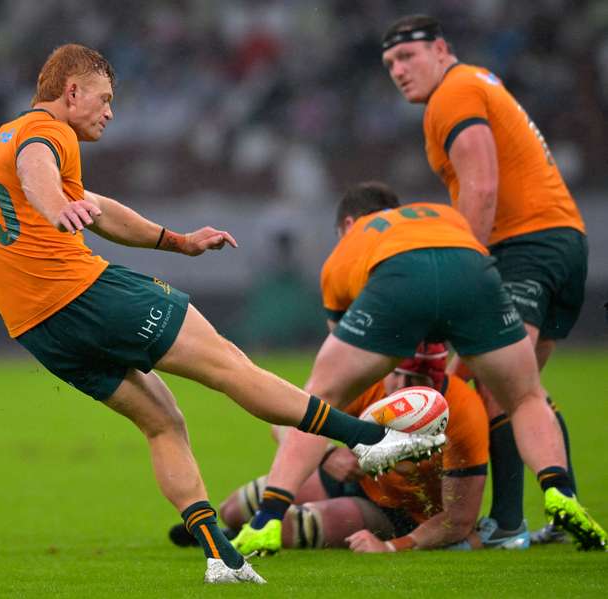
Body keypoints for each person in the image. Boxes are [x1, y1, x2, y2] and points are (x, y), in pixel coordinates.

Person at [0, 44, 445, 584]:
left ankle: (221, 555)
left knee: (162, 422)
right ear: (71, 92)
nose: (110, 112)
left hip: (39, 329)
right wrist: (58, 209)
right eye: (104, 99)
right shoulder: (47, 134)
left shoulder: (1, 140)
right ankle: (372, 439)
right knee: (230, 366)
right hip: (85, 294)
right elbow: (41, 178)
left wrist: (177, 241)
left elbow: (97, 209)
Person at [230, 182, 606, 555]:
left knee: (318, 396)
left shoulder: (348, 250)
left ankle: (267, 519)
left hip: (399, 277)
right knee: (525, 396)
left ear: (347, 225)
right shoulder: (440, 215)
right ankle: (559, 487)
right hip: (471, 268)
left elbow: (311, 398)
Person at [380, 14, 589, 546]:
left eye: (408, 57)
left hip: (525, 247)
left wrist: (464, 272)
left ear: (442, 49)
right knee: (525, 390)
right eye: (389, 64)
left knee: (502, 390)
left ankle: (506, 524)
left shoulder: (454, 92)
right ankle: (563, 514)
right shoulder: (477, 82)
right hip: (564, 243)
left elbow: (482, 187)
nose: (398, 71)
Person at [211, 343, 490, 552]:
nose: (402, 387)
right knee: (234, 509)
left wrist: (393, 546)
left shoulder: (464, 412)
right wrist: (328, 454)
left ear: (438, 380)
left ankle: (228, 539)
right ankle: (230, 529)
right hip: (351, 477)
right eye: (397, 374)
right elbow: (285, 421)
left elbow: (459, 520)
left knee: (297, 526)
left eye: (416, 380)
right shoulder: (370, 383)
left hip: (398, 510)